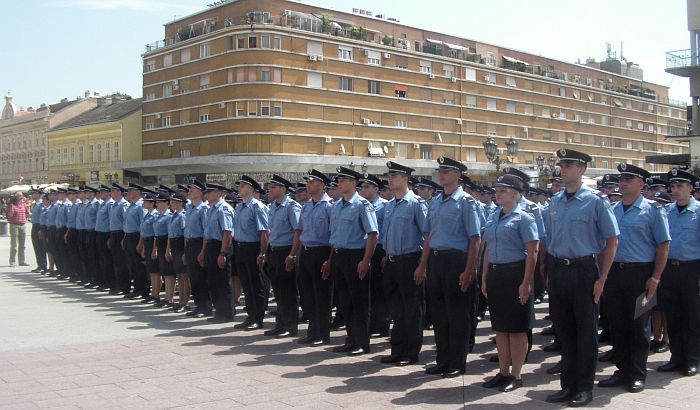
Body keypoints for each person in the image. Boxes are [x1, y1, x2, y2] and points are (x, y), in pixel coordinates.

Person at [544, 148, 619, 407]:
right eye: (561, 165)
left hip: (584, 270)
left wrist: (602, 279)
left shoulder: (596, 201)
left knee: (585, 333)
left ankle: (584, 388)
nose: (562, 169)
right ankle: (568, 385)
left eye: (568, 165)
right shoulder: (555, 201)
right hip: (559, 270)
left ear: (582, 169)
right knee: (564, 331)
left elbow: (612, 240)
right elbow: (549, 239)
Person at [598, 163, 670, 394]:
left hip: (641, 274)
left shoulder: (653, 210)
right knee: (617, 324)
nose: (624, 182)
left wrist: (656, 278)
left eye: (630, 179)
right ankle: (622, 370)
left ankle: (637, 373)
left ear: (641, 184)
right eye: (622, 179)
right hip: (615, 274)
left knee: (639, 325)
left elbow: (663, 245)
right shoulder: (613, 209)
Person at [417, 157, 481, 378]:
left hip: (457, 261)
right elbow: (428, 236)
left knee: (457, 314)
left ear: (457, 175)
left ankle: (457, 362)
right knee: (439, 314)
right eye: (440, 171)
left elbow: (475, 239)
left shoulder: (466, 202)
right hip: (436, 260)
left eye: (446, 171)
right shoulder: (434, 202)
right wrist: (423, 264)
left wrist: (470, 269)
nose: (441, 174)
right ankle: (442, 360)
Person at [481, 173, 538, 392]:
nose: (498, 194)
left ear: (515, 194)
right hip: (496, 274)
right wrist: (484, 277)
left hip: (515, 273)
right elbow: (487, 250)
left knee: (516, 328)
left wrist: (526, 282)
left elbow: (533, 252)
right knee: (500, 328)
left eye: (503, 191)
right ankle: (503, 372)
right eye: (497, 191)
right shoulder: (493, 216)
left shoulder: (524, 218)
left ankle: (516, 374)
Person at [323, 166, 378, 356]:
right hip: (338, 256)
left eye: (344, 180)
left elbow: (372, 235)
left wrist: (366, 260)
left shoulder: (362, 205)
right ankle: (351, 339)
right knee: (345, 302)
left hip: (355, 256)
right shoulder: (337, 205)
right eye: (339, 180)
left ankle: (362, 342)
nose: (340, 183)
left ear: (354, 183)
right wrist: (330, 260)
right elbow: (335, 235)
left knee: (359, 302)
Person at [379, 161, 427, 367]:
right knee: (396, 309)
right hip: (391, 261)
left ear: (406, 178)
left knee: (411, 309)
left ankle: (411, 351)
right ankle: (397, 349)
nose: (390, 179)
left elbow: (427, 235)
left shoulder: (416, 203)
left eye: (395, 175)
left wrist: (422, 266)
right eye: (389, 175)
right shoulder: (389, 205)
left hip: (410, 260)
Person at [658, 168, 700, 378]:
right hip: (669, 270)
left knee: (691, 316)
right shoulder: (666, 212)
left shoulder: (699, 212)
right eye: (673, 186)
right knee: (672, 315)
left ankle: (692, 359)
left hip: (691, 269)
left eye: (680, 186)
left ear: (691, 188)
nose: (675, 190)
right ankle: (676, 357)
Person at [293, 169, 334, 346]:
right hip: (307, 252)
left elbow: (335, 235)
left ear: (322, 184)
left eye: (312, 182)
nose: (308, 185)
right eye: (308, 182)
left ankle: (322, 334)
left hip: (322, 252)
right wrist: (295, 254)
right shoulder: (307, 206)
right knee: (308, 295)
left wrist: (330, 260)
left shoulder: (330, 206)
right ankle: (312, 332)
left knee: (322, 296)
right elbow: (300, 231)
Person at [264, 175, 302, 338]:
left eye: (274, 187)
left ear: (283, 189)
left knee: (288, 291)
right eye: (270, 187)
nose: (270, 190)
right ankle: (280, 324)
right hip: (274, 251)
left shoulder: (292, 207)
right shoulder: (273, 206)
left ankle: (290, 326)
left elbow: (298, 232)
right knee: (278, 291)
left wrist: (292, 255)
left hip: (286, 251)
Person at [232, 175, 270, 330]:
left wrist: (262, 253)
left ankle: (258, 318)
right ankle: (250, 315)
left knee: (256, 284)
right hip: (240, 247)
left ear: (251, 189)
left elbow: (264, 233)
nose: (239, 188)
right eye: (239, 185)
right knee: (246, 284)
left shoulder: (257, 207)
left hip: (253, 247)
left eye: (242, 185)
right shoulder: (239, 207)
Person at [359, 173, 389, 338]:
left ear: (376, 189)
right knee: (366, 289)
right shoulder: (361, 205)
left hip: (379, 250)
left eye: (367, 187)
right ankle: (370, 324)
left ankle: (382, 325)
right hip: (364, 249)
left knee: (379, 290)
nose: (363, 190)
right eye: (362, 187)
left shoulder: (384, 206)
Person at [201, 183, 235, 323]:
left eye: (210, 192)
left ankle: (227, 313)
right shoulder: (210, 210)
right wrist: (203, 252)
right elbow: (207, 234)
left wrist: (223, 253)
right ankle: (219, 311)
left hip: (221, 245)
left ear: (220, 193)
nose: (207, 194)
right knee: (213, 281)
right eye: (206, 192)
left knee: (222, 281)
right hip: (211, 245)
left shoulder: (224, 209)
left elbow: (227, 233)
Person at [184, 180, 212, 318]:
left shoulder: (204, 209)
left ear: (201, 193)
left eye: (192, 190)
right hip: (190, 243)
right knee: (193, 276)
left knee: (201, 277)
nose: (189, 192)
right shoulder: (189, 208)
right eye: (189, 190)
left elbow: (206, 232)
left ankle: (205, 306)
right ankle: (198, 305)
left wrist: (202, 251)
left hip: (199, 243)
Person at [123, 183, 149, 299]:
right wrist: (124, 238)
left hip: (137, 237)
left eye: (131, 190)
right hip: (129, 236)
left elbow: (143, 226)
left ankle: (142, 290)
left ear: (138, 192)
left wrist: (140, 242)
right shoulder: (130, 206)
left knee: (139, 265)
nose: (128, 192)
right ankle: (136, 287)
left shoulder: (140, 206)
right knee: (132, 264)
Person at [167, 192, 189, 312]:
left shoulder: (183, 216)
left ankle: (184, 302)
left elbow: (185, 236)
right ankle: (180, 300)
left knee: (184, 276)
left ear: (180, 203)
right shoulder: (174, 216)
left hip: (181, 245)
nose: (171, 204)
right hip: (174, 246)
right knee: (179, 275)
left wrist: (185, 252)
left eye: (174, 201)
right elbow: (170, 235)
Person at [151, 193, 174, 308]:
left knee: (169, 273)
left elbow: (170, 235)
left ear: (167, 203)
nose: (157, 203)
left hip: (166, 243)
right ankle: (165, 297)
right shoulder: (158, 216)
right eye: (157, 201)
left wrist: (168, 250)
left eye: (160, 201)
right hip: (159, 242)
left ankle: (169, 298)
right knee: (163, 271)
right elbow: (156, 235)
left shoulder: (169, 216)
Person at [108, 183, 130, 295]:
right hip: (113, 234)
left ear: (119, 192)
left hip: (121, 234)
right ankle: (118, 285)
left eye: (113, 190)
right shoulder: (113, 205)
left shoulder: (123, 205)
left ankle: (124, 287)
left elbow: (126, 222)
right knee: (116, 262)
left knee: (122, 262)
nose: (111, 192)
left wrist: (124, 237)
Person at [138, 192, 158, 304]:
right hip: (147, 242)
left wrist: (154, 249)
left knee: (155, 270)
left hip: (152, 242)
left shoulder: (155, 215)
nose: (143, 203)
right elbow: (143, 232)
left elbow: (155, 234)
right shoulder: (146, 214)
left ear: (152, 203)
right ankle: (153, 293)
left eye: (146, 201)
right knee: (150, 270)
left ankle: (156, 294)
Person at [95, 185, 115, 291]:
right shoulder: (103, 204)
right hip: (100, 233)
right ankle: (104, 280)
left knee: (108, 260)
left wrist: (110, 236)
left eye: (103, 192)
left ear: (108, 193)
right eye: (100, 192)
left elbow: (111, 221)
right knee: (102, 259)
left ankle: (110, 282)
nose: (101, 193)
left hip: (107, 233)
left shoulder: (110, 204)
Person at [7, 192, 29, 267]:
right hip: (14, 225)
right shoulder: (12, 205)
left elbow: (27, 213)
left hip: (23, 225)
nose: (20, 197)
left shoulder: (23, 205)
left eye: (21, 196)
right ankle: (12, 261)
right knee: (14, 245)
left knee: (22, 245)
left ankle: (22, 261)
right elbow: (10, 215)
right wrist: (10, 205)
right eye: (18, 196)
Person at [28, 189, 47, 272]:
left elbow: (42, 216)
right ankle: (40, 265)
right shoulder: (35, 204)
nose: (32, 195)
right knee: (36, 246)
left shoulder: (41, 204)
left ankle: (43, 265)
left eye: (34, 193)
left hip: (39, 226)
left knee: (40, 247)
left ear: (39, 194)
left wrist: (41, 229)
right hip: (34, 226)